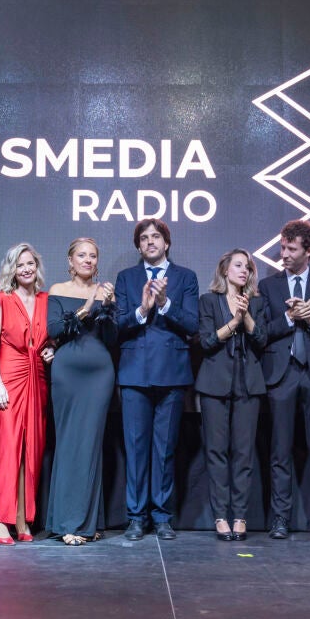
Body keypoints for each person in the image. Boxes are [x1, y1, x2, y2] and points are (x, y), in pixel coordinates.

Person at [114, 218, 201, 541]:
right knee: (136, 449)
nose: (150, 242)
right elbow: (118, 324)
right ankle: (136, 517)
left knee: (164, 450)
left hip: (172, 373)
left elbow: (192, 325)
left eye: (155, 237)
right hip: (135, 373)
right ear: (138, 246)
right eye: (144, 238)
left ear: (166, 242)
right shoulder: (127, 277)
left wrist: (164, 304)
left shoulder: (185, 277)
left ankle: (162, 516)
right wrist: (142, 309)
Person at [257, 220, 310, 541]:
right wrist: (290, 318)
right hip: (282, 374)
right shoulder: (268, 286)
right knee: (280, 452)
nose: (284, 254)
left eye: (291, 249)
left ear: (309, 251)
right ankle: (280, 519)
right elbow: (261, 333)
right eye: (283, 247)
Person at [45, 238, 117, 546]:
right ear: (70, 261)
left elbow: (112, 338)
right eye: (82, 255)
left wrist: (108, 306)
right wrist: (87, 308)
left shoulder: (106, 293)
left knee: (90, 446)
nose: (88, 260)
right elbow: (54, 330)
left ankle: (88, 521)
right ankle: (68, 522)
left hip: (99, 374)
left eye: (93, 256)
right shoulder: (58, 290)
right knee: (69, 443)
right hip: (67, 372)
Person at [195, 249, 268, 541]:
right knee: (216, 452)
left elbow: (262, 340)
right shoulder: (208, 300)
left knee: (243, 453)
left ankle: (240, 516)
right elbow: (206, 342)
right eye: (238, 265)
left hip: (248, 384)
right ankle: (220, 516)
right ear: (225, 269)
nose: (243, 271)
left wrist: (245, 316)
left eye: (247, 267)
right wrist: (232, 323)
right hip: (214, 384)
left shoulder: (257, 302)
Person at [0, 243, 53, 545]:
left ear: (36, 267)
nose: (26, 269)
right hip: (9, 376)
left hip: (37, 376)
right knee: (8, 448)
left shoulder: (46, 300)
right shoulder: (1, 299)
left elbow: (51, 338)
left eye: (30, 263)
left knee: (31, 450)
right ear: (12, 270)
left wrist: (52, 349)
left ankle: (22, 518)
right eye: (20, 264)